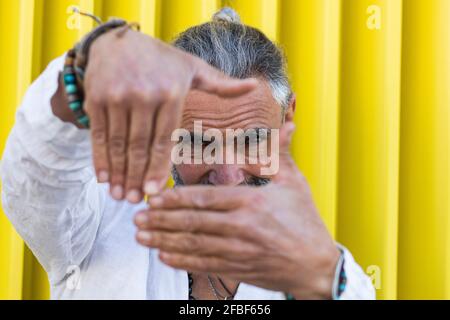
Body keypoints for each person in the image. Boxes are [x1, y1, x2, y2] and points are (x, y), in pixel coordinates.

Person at [0, 8, 375, 300]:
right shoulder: (96, 232)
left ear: (286, 117)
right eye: (198, 142)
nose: (227, 175)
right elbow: (37, 176)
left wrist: (324, 279)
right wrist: (84, 75)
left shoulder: (328, 272)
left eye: (251, 140)